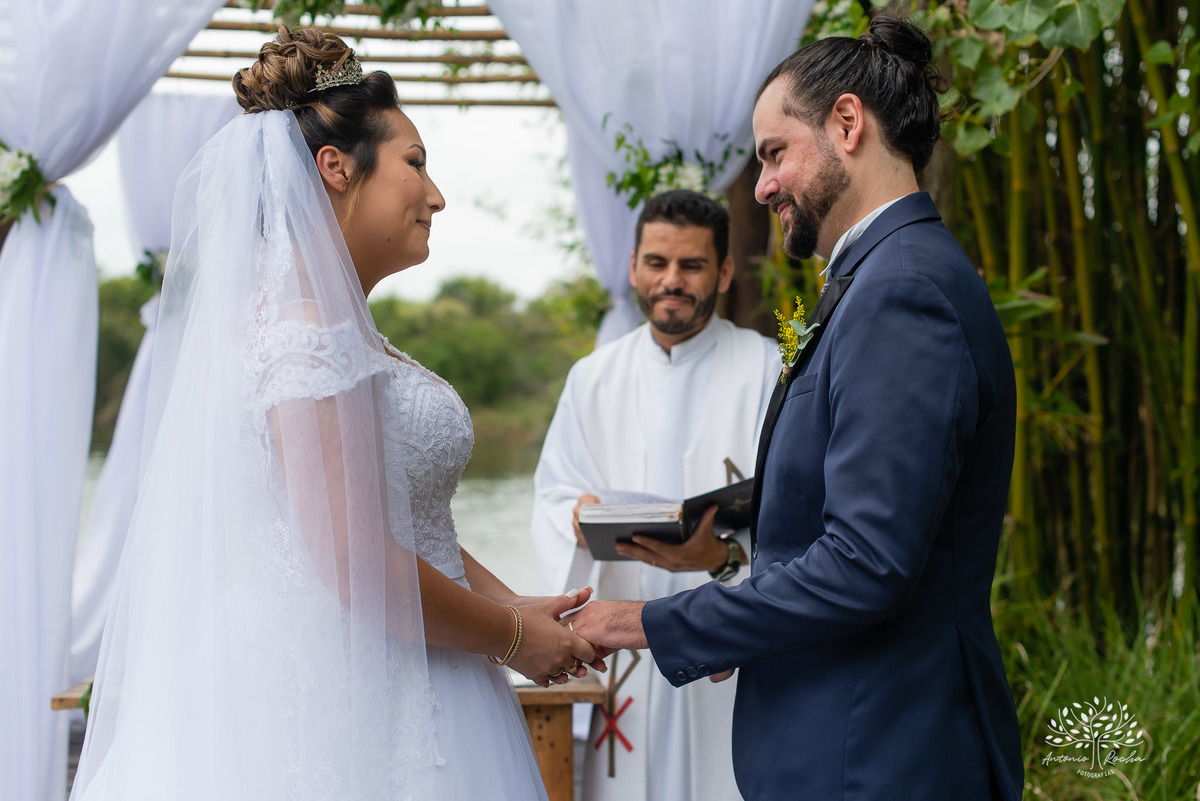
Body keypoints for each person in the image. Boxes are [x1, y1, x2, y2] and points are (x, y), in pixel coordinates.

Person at [70, 28, 601, 801]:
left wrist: (511, 601)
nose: (436, 194)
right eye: (415, 163)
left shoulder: (334, 324)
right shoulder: (304, 327)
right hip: (349, 705)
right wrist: (514, 637)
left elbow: (405, 518)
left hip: (414, 664)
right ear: (337, 166)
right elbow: (353, 560)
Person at [571, 15, 1024, 801]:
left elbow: (865, 562)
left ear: (847, 123)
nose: (762, 185)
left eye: (775, 152)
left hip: (877, 755)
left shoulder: (903, 291)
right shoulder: (881, 278)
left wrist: (643, 622)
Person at [531, 190, 778, 801]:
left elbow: (797, 519)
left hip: (730, 642)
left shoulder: (768, 370)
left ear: (724, 271)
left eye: (691, 265)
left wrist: (722, 559)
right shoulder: (593, 377)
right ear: (633, 266)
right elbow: (553, 493)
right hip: (624, 652)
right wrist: (574, 518)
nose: (671, 280)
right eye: (656, 263)